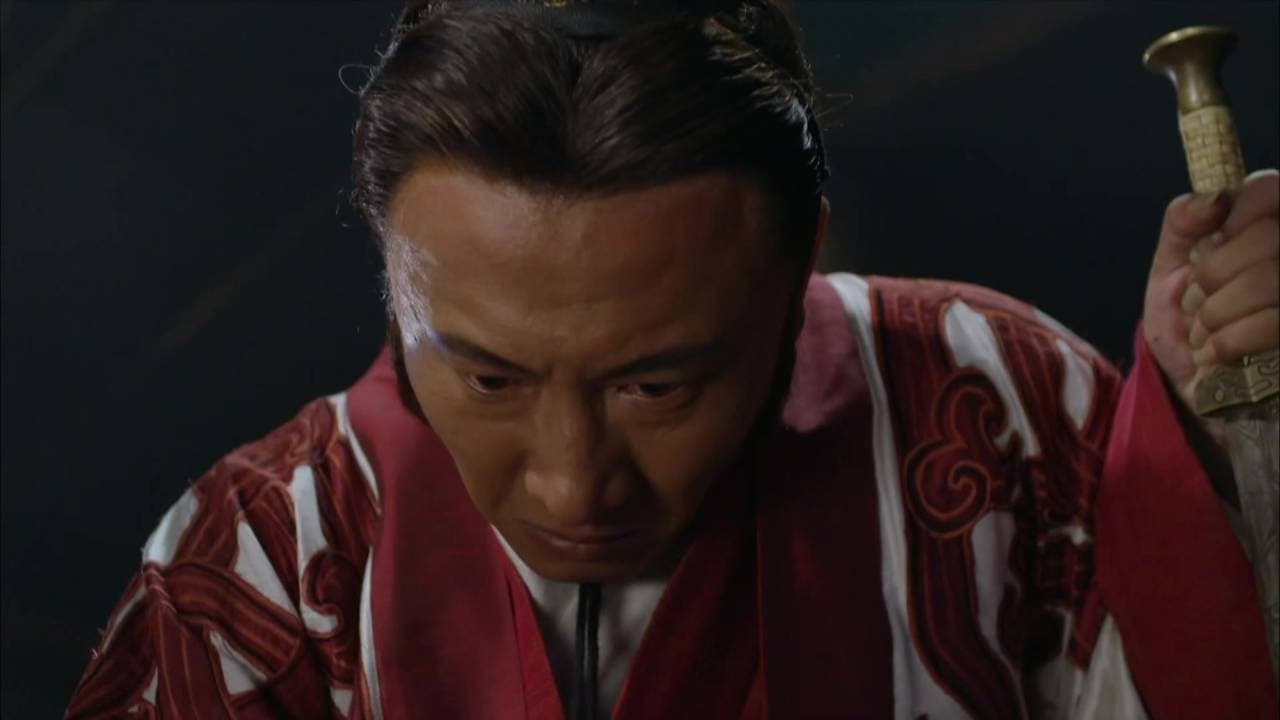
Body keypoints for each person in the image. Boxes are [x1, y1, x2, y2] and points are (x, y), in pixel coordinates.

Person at [66, 1, 1279, 718]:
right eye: (488, 378)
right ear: (395, 278)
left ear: (795, 264)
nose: (570, 483)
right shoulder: (256, 563)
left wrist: (1213, 451)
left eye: (656, 385)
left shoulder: (995, 401)